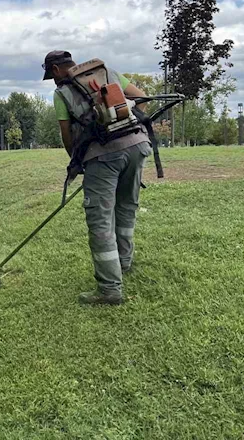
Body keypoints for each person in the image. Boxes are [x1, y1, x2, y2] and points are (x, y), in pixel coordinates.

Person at [43, 50, 152, 306]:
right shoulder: (108, 72)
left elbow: (66, 133)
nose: (53, 80)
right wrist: (126, 122)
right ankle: (123, 263)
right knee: (126, 207)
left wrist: (77, 160)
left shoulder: (62, 92)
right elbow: (140, 98)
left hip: (102, 156)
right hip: (138, 146)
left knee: (100, 220)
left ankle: (109, 289)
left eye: (51, 76)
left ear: (57, 70)